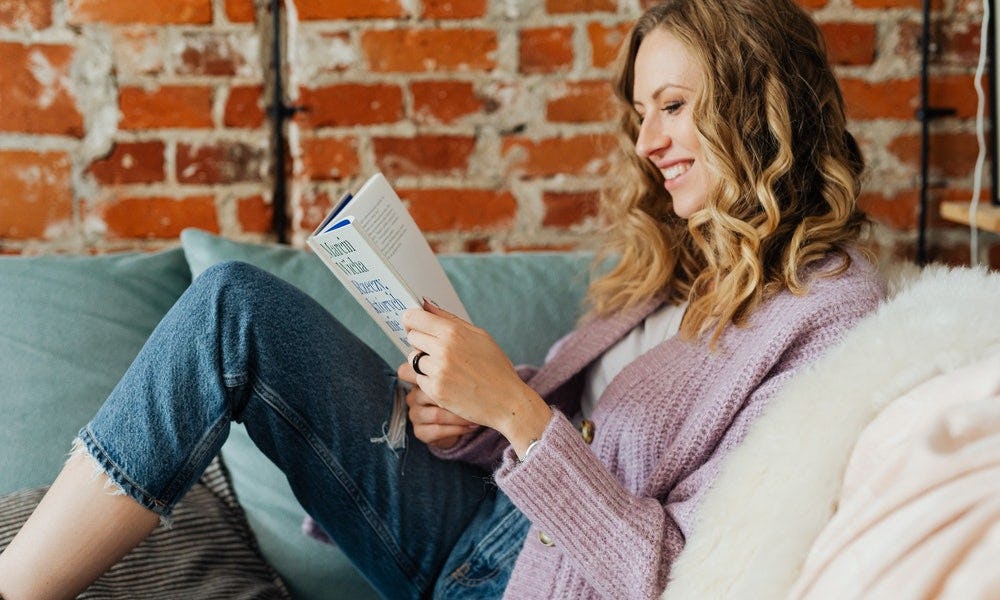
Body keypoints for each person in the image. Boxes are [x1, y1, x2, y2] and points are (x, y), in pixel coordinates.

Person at [0, 0, 884, 598]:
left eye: (674, 106)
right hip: (474, 515)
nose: (647, 140)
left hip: (524, 581)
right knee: (233, 307)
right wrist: (472, 420)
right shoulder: (678, 267)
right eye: (641, 112)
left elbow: (682, 575)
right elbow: (578, 442)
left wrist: (516, 411)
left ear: (758, 105)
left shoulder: (827, 317)